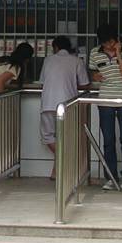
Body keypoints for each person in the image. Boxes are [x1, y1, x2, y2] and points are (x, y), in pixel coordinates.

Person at [89, 24, 122, 191]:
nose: (108, 46)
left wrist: (118, 54)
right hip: (105, 101)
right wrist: (95, 76)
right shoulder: (95, 53)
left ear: (116, 39)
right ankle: (110, 176)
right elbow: (93, 75)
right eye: (105, 44)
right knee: (108, 141)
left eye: (110, 42)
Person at [39, 36, 89, 172]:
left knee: (48, 135)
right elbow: (85, 84)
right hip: (68, 104)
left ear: (55, 47)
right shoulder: (77, 61)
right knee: (68, 135)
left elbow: (42, 82)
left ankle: (58, 167)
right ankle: (63, 165)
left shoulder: (48, 60)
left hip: (48, 103)